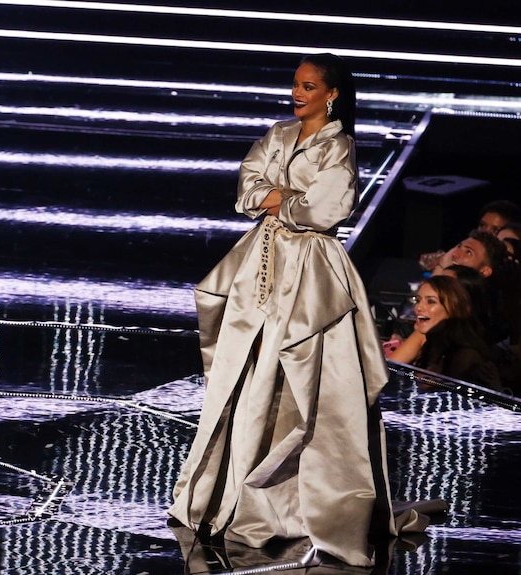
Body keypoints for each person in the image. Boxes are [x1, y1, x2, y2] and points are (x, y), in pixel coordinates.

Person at [167, 54, 429, 567]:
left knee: (311, 386)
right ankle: (228, 490)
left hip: (309, 271)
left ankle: (296, 499)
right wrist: (285, 199)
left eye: (308, 86)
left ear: (331, 94)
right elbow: (246, 189)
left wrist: (280, 200)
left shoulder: (340, 146)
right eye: (295, 84)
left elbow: (327, 209)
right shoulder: (278, 133)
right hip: (261, 263)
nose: (297, 92)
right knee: (244, 375)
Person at [388, 277, 502, 391]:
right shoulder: (432, 345)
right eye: (417, 300)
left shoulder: (465, 356)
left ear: (454, 307)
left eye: (431, 301)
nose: (418, 307)